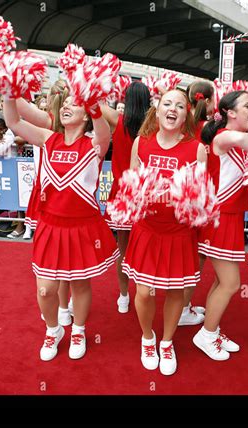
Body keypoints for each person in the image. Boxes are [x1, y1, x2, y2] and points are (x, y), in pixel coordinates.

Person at [4, 93, 119, 362]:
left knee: (80, 284)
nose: (66, 106)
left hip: (82, 228)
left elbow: (104, 131)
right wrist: (8, 90)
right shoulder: (48, 138)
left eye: (74, 103)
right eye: (65, 103)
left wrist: (95, 108)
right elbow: (13, 120)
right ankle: (53, 330)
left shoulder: (94, 144)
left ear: (88, 113)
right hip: (50, 226)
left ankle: (78, 330)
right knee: (46, 289)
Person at [121, 89, 207, 376]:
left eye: (180, 106)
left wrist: (188, 197)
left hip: (179, 233)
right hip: (147, 230)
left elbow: (201, 196)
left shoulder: (196, 148)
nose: (172, 109)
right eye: (167, 104)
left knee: (174, 291)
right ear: (156, 111)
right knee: (144, 293)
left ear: (187, 115)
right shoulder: (140, 143)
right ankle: (148, 337)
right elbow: (130, 186)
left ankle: (167, 342)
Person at [194, 91, 248, 361]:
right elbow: (243, 138)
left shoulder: (238, 137)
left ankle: (212, 330)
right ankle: (205, 335)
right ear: (230, 113)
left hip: (231, 217)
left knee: (221, 280)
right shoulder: (224, 137)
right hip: (219, 218)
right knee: (231, 284)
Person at [15, 80, 73, 325]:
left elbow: (16, 113)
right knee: (70, 256)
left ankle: (60, 306)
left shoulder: (47, 121)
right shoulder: (73, 123)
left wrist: (9, 82)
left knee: (51, 254)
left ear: (50, 99)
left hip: (46, 189)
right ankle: (66, 305)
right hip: (70, 193)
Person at [100, 81, 151, 314]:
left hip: (121, 193)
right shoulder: (155, 128)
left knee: (123, 249)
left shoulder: (116, 121)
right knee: (145, 249)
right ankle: (145, 292)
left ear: (127, 100)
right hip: (146, 195)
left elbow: (95, 104)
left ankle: (123, 296)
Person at [178, 79, 215, 327]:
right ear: (210, 100)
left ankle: (183, 305)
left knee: (187, 256)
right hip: (202, 200)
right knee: (196, 258)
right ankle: (182, 309)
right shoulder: (212, 129)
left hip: (184, 198)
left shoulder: (183, 125)